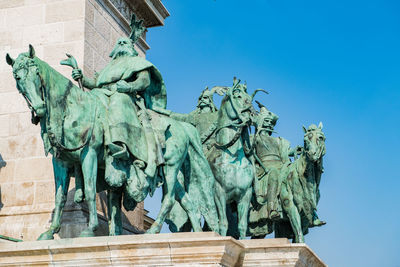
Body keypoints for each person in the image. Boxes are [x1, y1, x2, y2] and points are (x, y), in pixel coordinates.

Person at [71, 36, 167, 187]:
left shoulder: (137, 63)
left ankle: (120, 145)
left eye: (125, 42)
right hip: (102, 93)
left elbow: (144, 81)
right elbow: (96, 83)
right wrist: (82, 77)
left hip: (125, 96)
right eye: (119, 42)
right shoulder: (109, 67)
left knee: (118, 101)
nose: (122, 44)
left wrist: (128, 87)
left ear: (131, 48)